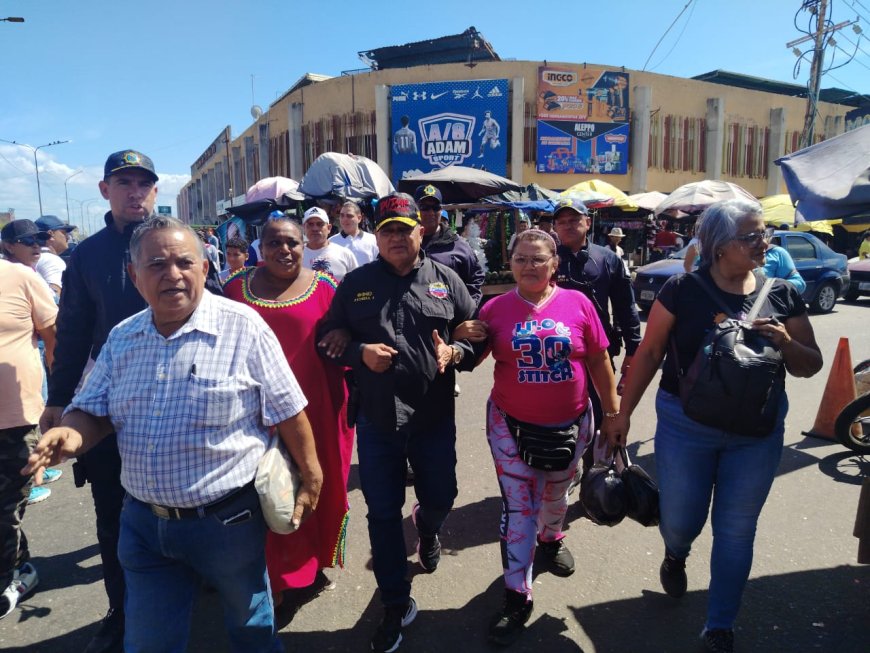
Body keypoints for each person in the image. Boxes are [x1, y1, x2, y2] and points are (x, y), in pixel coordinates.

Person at [25, 216, 323, 652]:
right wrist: (70, 436)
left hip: (227, 525)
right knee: (148, 643)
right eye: (157, 264)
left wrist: (312, 478)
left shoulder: (244, 327)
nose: (173, 274)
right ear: (134, 275)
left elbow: (290, 412)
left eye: (185, 262)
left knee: (251, 628)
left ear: (205, 268)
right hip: (144, 527)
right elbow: (95, 412)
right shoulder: (122, 339)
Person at [611, 199, 823, 653]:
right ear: (720, 246)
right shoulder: (682, 289)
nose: (764, 242)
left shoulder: (783, 292)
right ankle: (676, 551)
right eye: (752, 236)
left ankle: (720, 625)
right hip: (686, 424)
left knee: (737, 529)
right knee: (682, 520)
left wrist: (786, 341)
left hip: (756, 433)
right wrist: (621, 414)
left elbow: (811, 365)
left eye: (764, 232)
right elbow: (648, 353)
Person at [316, 192, 477, 653]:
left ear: (420, 231)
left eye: (404, 230)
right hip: (378, 419)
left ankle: (428, 527)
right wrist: (357, 352)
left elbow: (477, 329)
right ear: (377, 236)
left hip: (432, 416)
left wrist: (458, 351)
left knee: (442, 495)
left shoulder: (446, 279)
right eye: (387, 230)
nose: (396, 238)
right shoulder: (356, 284)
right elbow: (325, 339)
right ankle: (394, 603)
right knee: (382, 514)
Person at [467, 228, 621, 646]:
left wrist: (612, 414)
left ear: (555, 264)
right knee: (519, 508)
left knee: (556, 496)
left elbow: (598, 358)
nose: (529, 266)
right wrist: (460, 337)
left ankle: (551, 540)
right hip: (509, 424)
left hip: (572, 423)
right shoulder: (495, 309)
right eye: (520, 258)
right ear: (510, 262)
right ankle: (518, 595)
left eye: (538, 259)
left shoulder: (578, 303)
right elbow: (468, 356)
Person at [41, 149, 160, 653]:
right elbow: (70, 332)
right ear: (105, 191)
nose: (135, 192)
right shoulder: (85, 258)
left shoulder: (174, 239)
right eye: (124, 183)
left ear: (154, 190)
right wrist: (60, 400)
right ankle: (121, 607)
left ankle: (193, 589)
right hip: (112, 405)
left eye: (143, 184)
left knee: (187, 504)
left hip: (180, 396)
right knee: (113, 512)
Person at [223, 215, 353, 602]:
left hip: (317, 411)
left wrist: (344, 332)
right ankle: (269, 577)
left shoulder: (326, 286)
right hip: (249, 414)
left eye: (293, 243)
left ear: (304, 247)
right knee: (260, 491)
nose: (285, 250)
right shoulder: (233, 287)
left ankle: (307, 567)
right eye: (275, 243)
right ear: (260, 249)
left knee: (313, 488)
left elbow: (352, 327)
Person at [0, 254, 57, 620]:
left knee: (5, 509)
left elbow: (55, 339)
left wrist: (60, 405)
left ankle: (13, 575)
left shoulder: (20, 277)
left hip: (15, 419)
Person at [552, 198, 640, 403]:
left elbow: (625, 306)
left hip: (599, 351)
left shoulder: (608, 259)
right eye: (562, 222)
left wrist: (633, 349)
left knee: (601, 409)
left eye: (574, 220)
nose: (568, 226)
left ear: (588, 223)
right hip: (556, 350)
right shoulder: (546, 259)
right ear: (555, 226)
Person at [415, 184, 484, 305]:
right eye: (424, 207)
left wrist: (467, 309)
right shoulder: (406, 241)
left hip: (450, 319)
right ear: (415, 210)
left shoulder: (459, 245)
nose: (431, 212)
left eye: (435, 207)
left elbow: (475, 278)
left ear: (441, 210)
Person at [302, 207, 358, 281]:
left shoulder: (344, 254)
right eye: (310, 224)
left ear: (329, 228)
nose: (315, 228)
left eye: (320, 224)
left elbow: (357, 284)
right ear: (304, 228)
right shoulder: (296, 255)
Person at [35, 215, 77, 299]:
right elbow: (55, 299)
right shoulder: (51, 260)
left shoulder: (34, 257)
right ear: (51, 234)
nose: (67, 237)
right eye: (63, 232)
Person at [329, 201, 379, 265]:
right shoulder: (331, 242)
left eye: (349, 216)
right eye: (342, 215)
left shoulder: (373, 240)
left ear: (359, 218)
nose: (344, 219)